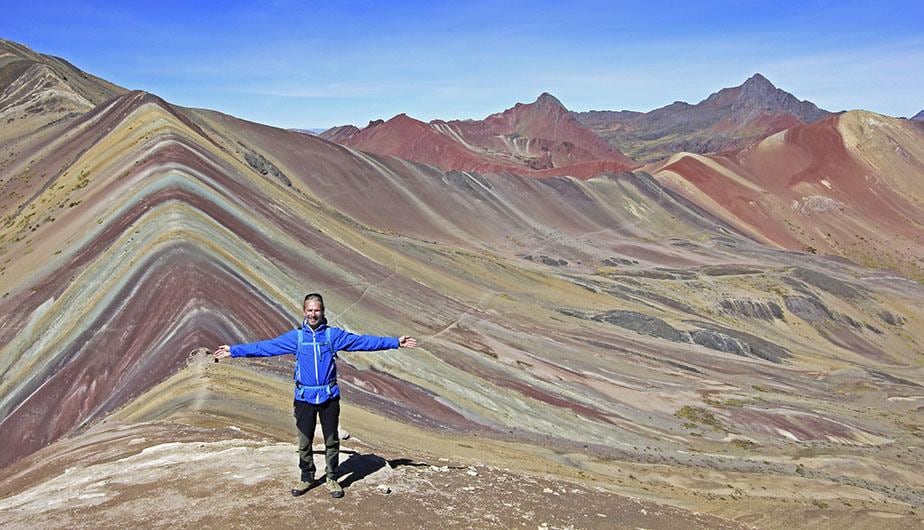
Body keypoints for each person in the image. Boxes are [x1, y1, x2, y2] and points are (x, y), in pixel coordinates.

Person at [214, 292, 417, 499]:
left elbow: (363, 342)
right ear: (304, 311)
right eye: (309, 310)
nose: (313, 314)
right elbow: (266, 347)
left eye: (317, 310)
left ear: (323, 312)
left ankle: (331, 477)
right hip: (304, 398)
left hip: (329, 397)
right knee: (304, 441)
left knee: (331, 441)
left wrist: (395, 342)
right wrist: (234, 351)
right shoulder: (297, 337)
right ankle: (307, 477)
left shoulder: (332, 336)